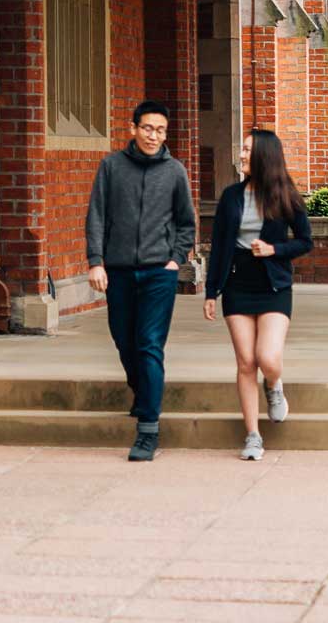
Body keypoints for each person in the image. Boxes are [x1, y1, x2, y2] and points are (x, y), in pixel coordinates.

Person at [86, 100, 196, 462]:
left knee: (149, 343)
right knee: (124, 339)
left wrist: (174, 260)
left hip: (157, 274)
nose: (153, 136)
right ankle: (142, 389)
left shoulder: (175, 171)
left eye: (160, 130)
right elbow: (97, 216)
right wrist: (96, 262)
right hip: (117, 271)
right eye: (147, 128)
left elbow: (186, 223)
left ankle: (148, 429)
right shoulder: (111, 167)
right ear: (132, 128)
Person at [202, 130, 313, 461]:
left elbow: (305, 241)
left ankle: (274, 386)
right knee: (246, 362)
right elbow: (220, 246)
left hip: (274, 286)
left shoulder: (285, 195)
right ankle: (252, 435)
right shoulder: (231, 196)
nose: (242, 155)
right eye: (242, 150)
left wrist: (273, 249)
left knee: (268, 358)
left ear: (265, 154)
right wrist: (211, 291)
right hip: (237, 286)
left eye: (248, 150)